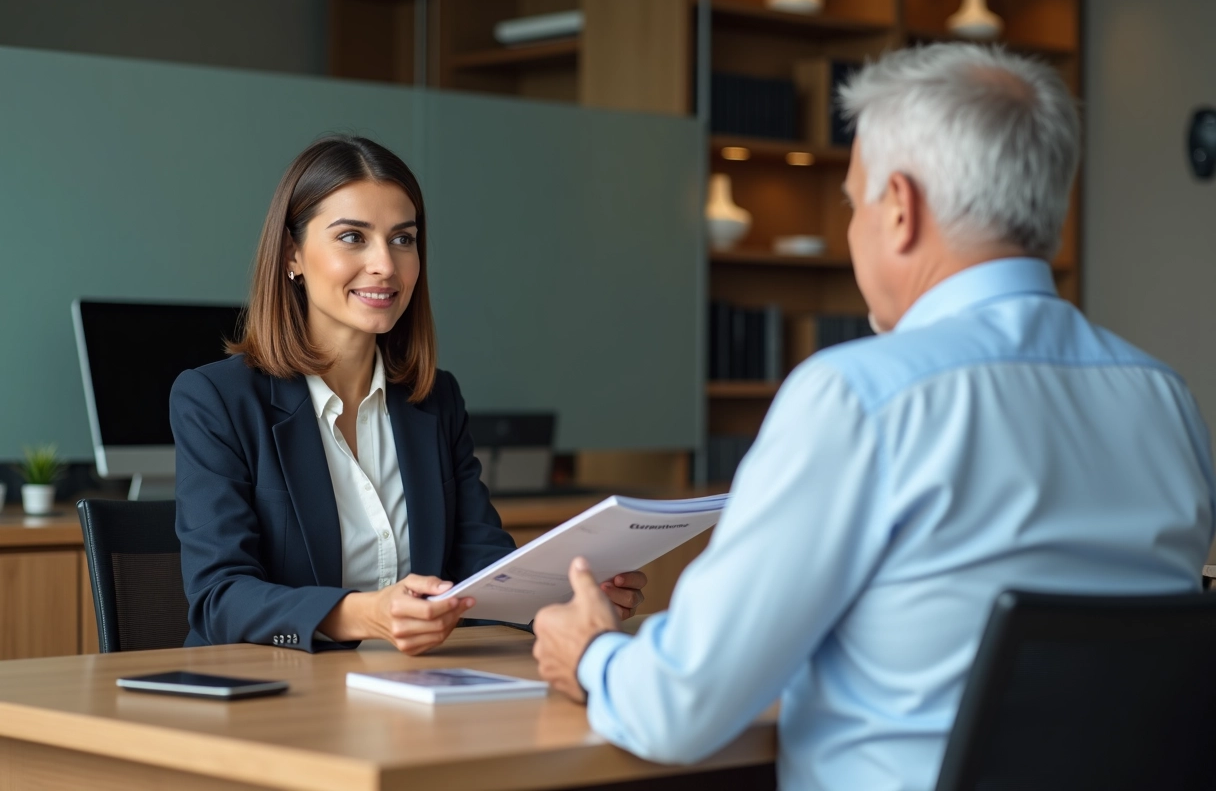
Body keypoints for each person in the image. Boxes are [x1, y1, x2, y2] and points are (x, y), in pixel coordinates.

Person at [532, 44, 1216, 790]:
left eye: (853, 204)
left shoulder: (860, 397)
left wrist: (591, 652)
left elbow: (681, 706)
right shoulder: (1162, 398)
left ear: (900, 208)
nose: (854, 229)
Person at [171, 135, 645, 654]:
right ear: (292, 254)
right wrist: (365, 614)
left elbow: (476, 558)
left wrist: (558, 599)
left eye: (403, 239)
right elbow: (219, 598)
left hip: (405, 692)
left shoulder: (435, 399)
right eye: (353, 237)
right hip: (272, 697)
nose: (385, 265)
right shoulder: (216, 399)